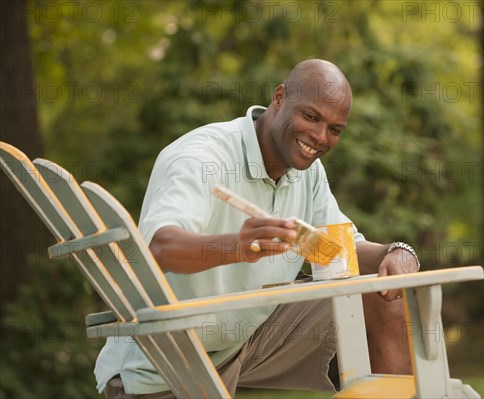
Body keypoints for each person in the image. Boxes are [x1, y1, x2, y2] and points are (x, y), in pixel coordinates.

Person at [95, 59, 419, 398]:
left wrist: (393, 253)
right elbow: (159, 248)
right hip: (167, 358)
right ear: (279, 97)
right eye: (311, 117)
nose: (321, 137)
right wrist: (236, 246)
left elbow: (338, 248)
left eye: (335, 129)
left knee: (385, 293)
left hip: (250, 336)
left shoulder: (307, 171)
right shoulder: (203, 157)